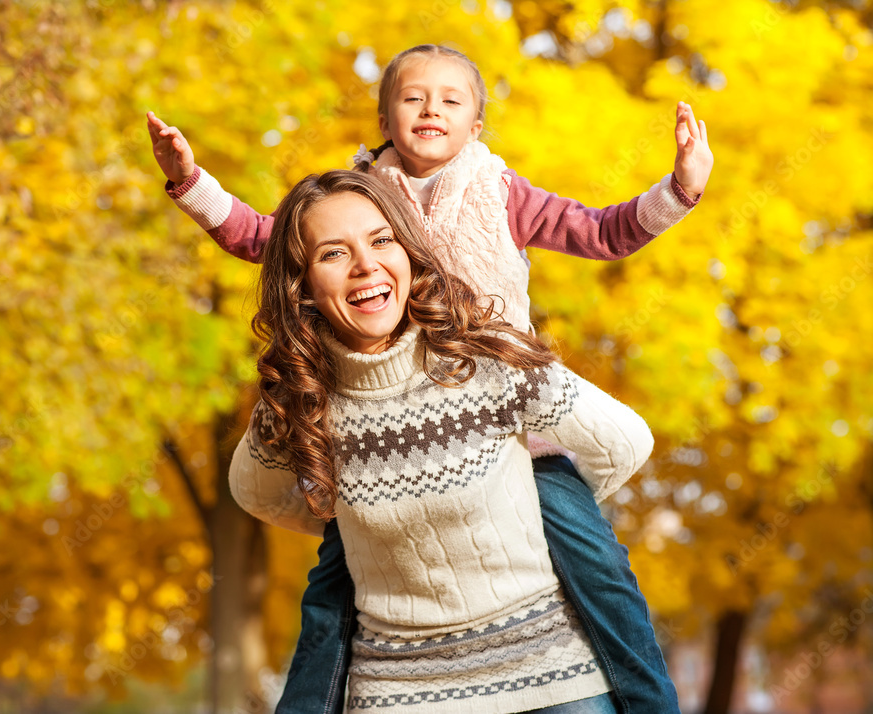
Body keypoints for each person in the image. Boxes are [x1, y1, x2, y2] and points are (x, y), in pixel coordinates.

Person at [149, 44, 712, 712]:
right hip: (376, 415)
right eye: (412, 98)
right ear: (384, 118)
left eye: (451, 100)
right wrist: (191, 183)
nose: (430, 110)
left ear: (477, 124)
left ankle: (650, 703)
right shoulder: (358, 197)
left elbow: (601, 232)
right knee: (331, 596)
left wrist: (679, 189)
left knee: (599, 567)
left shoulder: (501, 192)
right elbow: (263, 238)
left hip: (512, 427)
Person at [230, 168, 655, 713]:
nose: (366, 265)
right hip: (397, 689)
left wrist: (537, 499)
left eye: (381, 241)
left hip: (552, 673)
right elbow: (255, 491)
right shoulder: (300, 398)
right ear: (301, 285)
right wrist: (352, 521)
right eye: (333, 253)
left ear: (409, 252)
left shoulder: (486, 359)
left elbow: (624, 442)